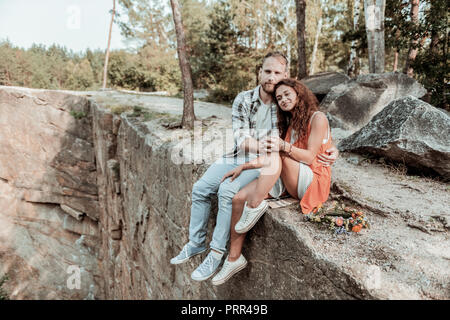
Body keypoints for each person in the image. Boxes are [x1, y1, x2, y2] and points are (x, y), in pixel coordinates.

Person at [170, 53, 338, 282]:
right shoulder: (245, 100)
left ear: (286, 76)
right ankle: (196, 244)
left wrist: (333, 149)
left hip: (269, 163)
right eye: (267, 71)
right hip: (244, 155)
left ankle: (217, 252)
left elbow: (312, 132)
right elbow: (242, 140)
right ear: (260, 72)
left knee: (227, 191)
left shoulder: (286, 107)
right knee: (201, 188)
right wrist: (262, 152)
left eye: (277, 73)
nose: (271, 77)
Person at [210, 78, 334, 285]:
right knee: (238, 197)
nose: (283, 100)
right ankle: (234, 258)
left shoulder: (318, 118)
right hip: (290, 173)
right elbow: (272, 154)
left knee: (280, 154)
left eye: (287, 94)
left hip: (313, 180)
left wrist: (283, 146)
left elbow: (310, 157)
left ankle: (256, 204)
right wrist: (244, 166)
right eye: (279, 98)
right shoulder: (291, 122)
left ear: (299, 93)